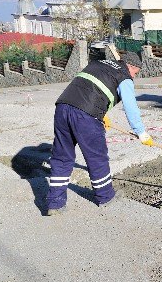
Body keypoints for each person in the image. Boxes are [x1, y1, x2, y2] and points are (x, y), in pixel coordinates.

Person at [45, 52, 153, 216]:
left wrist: (102, 115)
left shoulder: (98, 64)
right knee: (97, 157)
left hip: (62, 108)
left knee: (62, 157)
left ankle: (55, 203)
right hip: (86, 115)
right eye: (135, 73)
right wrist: (141, 132)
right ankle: (106, 197)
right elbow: (130, 106)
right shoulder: (124, 76)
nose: (134, 77)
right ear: (131, 66)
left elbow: (89, 89)